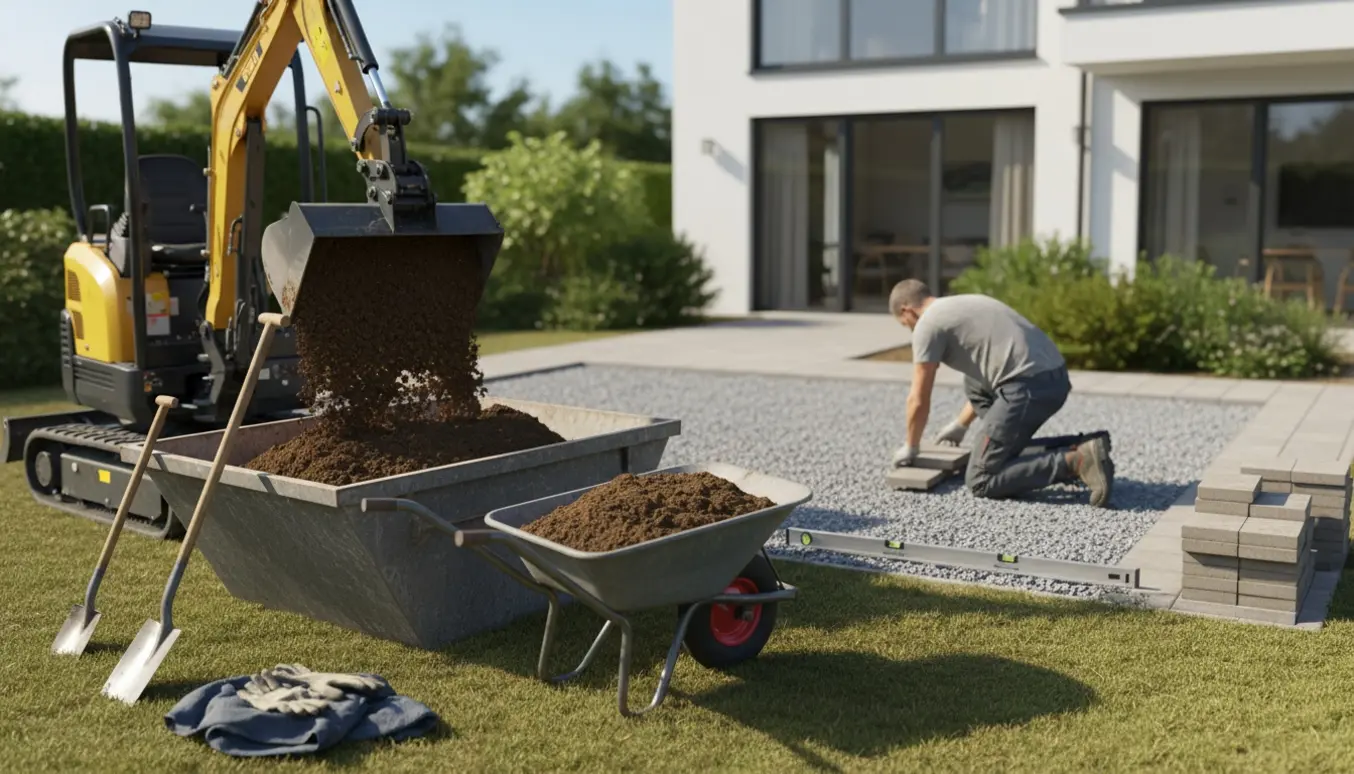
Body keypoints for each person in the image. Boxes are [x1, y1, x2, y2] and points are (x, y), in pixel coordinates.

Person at [887, 279, 1114, 507]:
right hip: (1055, 378)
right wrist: (960, 425)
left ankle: (1077, 461)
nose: (910, 330)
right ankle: (1089, 444)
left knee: (981, 479)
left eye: (905, 324)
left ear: (906, 310)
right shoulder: (962, 303)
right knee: (973, 382)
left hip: (1028, 386)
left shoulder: (927, 324)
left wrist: (911, 447)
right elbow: (984, 376)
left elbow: (918, 398)